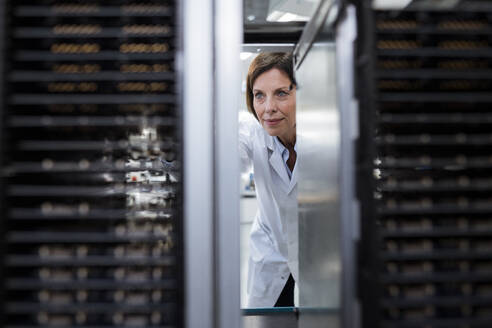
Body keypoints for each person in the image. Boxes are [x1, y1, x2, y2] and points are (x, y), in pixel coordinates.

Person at [239, 52, 298, 307]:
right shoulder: (251, 131)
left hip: (321, 260)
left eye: (281, 93)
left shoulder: (327, 132)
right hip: (271, 256)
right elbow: (226, 162)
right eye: (259, 95)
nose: (268, 108)